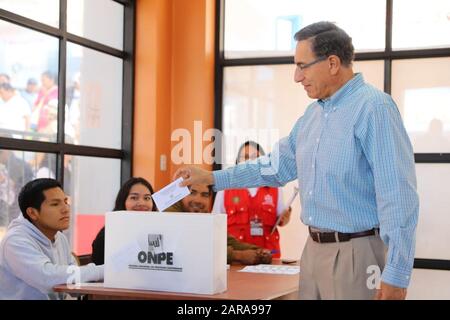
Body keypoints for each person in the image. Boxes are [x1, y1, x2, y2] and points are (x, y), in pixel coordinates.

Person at [174, 21, 419, 300]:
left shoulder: (374, 108)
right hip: (312, 251)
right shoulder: (311, 117)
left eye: (302, 66)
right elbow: (273, 167)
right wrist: (212, 178)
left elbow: (398, 195)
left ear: (333, 63)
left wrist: (397, 274)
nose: (296, 77)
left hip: (357, 253)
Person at [0, 178, 103, 299]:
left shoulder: (59, 237)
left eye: (66, 201)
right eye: (55, 204)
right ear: (32, 213)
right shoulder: (15, 241)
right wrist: (102, 271)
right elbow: (47, 278)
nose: (65, 209)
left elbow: (73, 286)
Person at [212, 141, 291, 258]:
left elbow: (281, 220)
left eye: (256, 157)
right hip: (238, 259)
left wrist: (286, 216)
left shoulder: (275, 187)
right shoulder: (225, 188)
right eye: (246, 157)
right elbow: (215, 224)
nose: (250, 161)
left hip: (268, 256)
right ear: (238, 162)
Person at [166, 183, 272, 265]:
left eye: (205, 195)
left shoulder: (201, 213)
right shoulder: (170, 212)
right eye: (192, 193)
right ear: (181, 195)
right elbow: (194, 249)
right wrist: (238, 255)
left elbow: (226, 240)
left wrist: (259, 251)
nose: (198, 200)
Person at [91, 177, 155, 265]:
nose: (142, 203)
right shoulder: (107, 234)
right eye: (134, 197)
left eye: (147, 198)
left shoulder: (158, 230)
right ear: (123, 201)